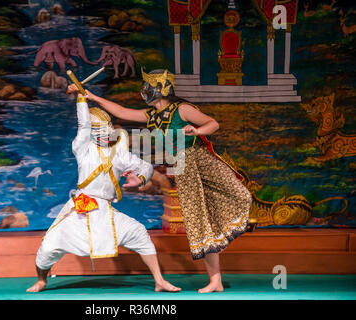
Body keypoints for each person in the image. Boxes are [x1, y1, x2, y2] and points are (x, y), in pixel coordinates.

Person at [66, 68, 252, 293]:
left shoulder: (182, 109)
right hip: (183, 170)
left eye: (148, 87)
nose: (144, 91)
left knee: (239, 195)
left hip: (201, 161)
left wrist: (196, 130)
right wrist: (91, 96)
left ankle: (221, 252)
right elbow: (122, 111)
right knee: (199, 223)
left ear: (161, 89)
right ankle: (216, 280)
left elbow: (213, 124)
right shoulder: (151, 116)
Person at [27, 90, 181, 293]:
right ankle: (42, 280)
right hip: (80, 207)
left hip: (104, 211)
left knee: (139, 233)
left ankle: (159, 280)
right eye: (96, 128)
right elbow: (83, 124)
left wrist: (140, 179)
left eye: (105, 127)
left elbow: (146, 167)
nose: (102, 131)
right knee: (49, 246)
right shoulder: (83, 148)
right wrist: (81, 99)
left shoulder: (119, 153)